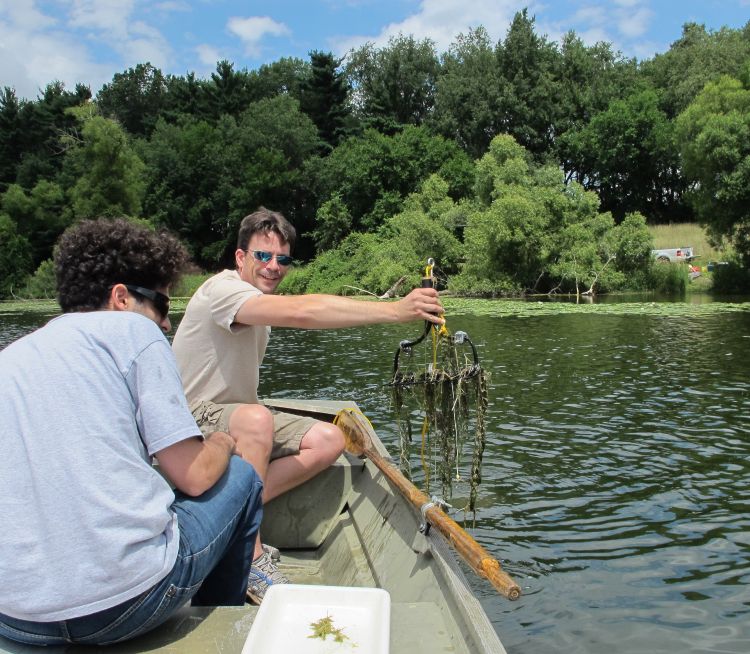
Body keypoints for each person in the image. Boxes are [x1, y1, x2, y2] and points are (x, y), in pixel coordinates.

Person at [0, 218, 265, 647]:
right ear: (121, 297)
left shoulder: (11, 357)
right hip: (124, 606)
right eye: (161, 306)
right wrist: (222, 441)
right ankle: (223, 629)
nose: (165, 324)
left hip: (15, 617)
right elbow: (194, 475)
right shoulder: (135, 331)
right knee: (241, 477)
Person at [172, 206, 444, 602]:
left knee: (328, 440)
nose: (273, 267)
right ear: (240, 257)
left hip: (234, 418)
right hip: (191, 421)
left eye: (282, 259)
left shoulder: (257, 302)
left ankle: (228, 510)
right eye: (262, 256)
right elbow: (303, 311)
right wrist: (395, 310)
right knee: (255, 418)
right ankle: (249, 557)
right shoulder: (223, 291)